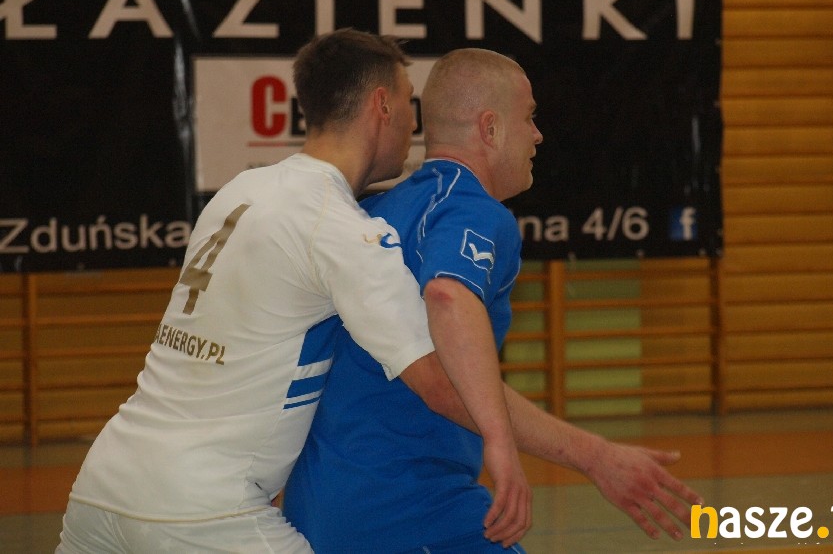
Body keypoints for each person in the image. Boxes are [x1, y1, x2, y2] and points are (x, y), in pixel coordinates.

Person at [56, 30, 530, 553]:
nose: (413, 126)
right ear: (382, 106)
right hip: (202, 509)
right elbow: (442, 383)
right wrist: (567, 449)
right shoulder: (341, 227)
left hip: (103, 482)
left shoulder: (239, 192)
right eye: (407, 104)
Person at [283, 48, 704, 552]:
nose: (538, 135)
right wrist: (539, 449)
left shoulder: (375, 209)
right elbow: (447, 296)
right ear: (491, 128)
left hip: (320, 502)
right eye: (528, 118)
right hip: (404, 506)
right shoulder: (473, 210)